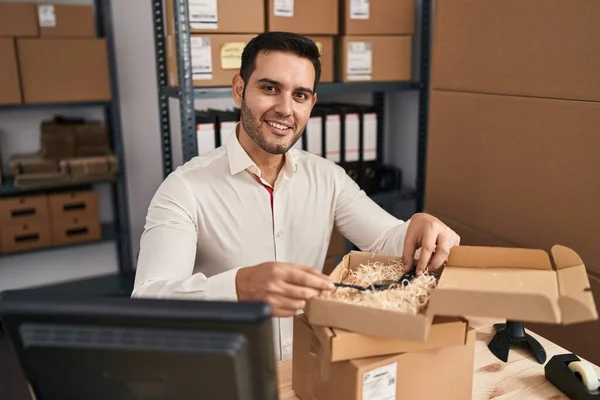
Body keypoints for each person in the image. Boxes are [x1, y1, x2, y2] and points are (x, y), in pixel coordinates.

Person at [132, 31, 460, 360]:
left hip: (309, 362)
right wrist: (238, 286)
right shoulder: (185, 188)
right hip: (227, 372)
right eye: (270, 88)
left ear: (311, 104)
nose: (285, 109)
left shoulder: (327, 177)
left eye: (300, 95)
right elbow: (148, 301)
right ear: (239, 89)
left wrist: (419, 226)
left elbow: (385, 237)